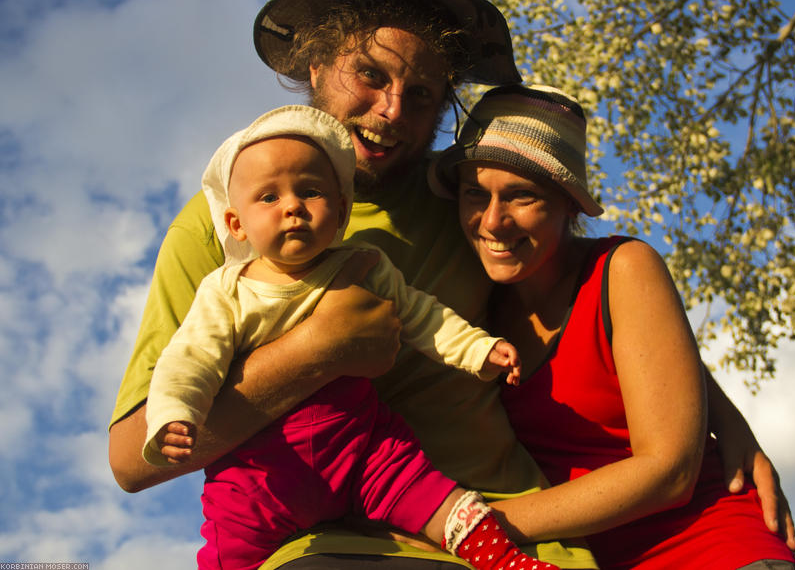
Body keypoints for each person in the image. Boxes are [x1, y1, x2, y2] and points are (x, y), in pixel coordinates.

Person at [108, 0, 795, 569]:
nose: (391, 110)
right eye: (368, 75)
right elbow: (130, 459)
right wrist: (316, 349)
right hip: (331, 543)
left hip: (497, 526)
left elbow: (600, 295)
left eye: (424, 94)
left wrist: (719, 417)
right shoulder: (225, 222)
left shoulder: (463, 196)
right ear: (315, 65)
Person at [143, 104, 547, 570]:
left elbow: (423, 315)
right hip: (265, 473)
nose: (292, 205)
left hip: (361, 449)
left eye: (310, 191)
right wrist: (175, 413)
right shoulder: (227, 291)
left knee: (446, 504)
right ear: (237, 225)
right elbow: (191, 357)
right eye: (269, 198)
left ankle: (507, 562)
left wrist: (479, 349)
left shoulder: (364, 264)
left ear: (340, 211)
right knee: (226, 553)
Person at [428, 83, 795, 569]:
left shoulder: (622, 269)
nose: (494, 222)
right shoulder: (474, 302)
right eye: (475, 193)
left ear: (570, 204)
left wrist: (471, 525)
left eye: (522, 197)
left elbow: (670, 471)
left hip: (711, 548)